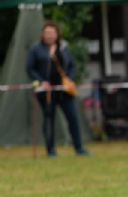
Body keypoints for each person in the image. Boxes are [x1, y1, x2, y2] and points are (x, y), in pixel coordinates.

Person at [26, 21, 88, 157]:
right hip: (47, 92)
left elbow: (71, 65)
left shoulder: (64, 47)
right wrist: (42, 82)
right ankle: (51, 150)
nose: (49, 35)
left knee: (73, 118)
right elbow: (30, 68)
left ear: (57, 34)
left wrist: (70, 80)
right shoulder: (36, 49)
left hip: (64, 90)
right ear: (42, 34)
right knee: (49, 120)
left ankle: (79, 148)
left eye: (52, 33)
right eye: (47, 33)